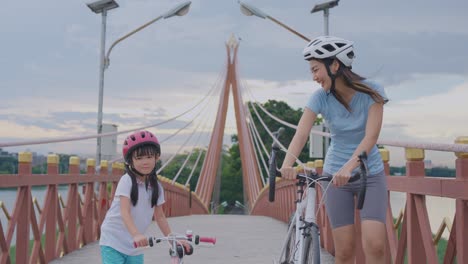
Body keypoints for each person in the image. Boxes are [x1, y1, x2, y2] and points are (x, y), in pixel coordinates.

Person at [280, 36, 388, 264]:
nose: (314, 77)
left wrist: (350, 166)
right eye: (311, 71)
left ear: (335, 65)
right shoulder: (320, 97)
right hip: (334, 177)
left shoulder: (373, 92)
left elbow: (371, 137)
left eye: (316, 69)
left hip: (370, 174)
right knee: (346, 251)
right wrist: (287, 164)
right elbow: (301, 133)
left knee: (376, 246)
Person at [99, 130, 189, 264]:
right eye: (139, 158)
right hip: (114, 240)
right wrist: (136, 234)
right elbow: (124, 211)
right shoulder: (127, 180)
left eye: (149, 157)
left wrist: (172, 240)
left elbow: (160, 216)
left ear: (157, 157)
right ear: (130, 161)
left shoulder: (157, 187)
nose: (145, 162)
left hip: (136, 245)